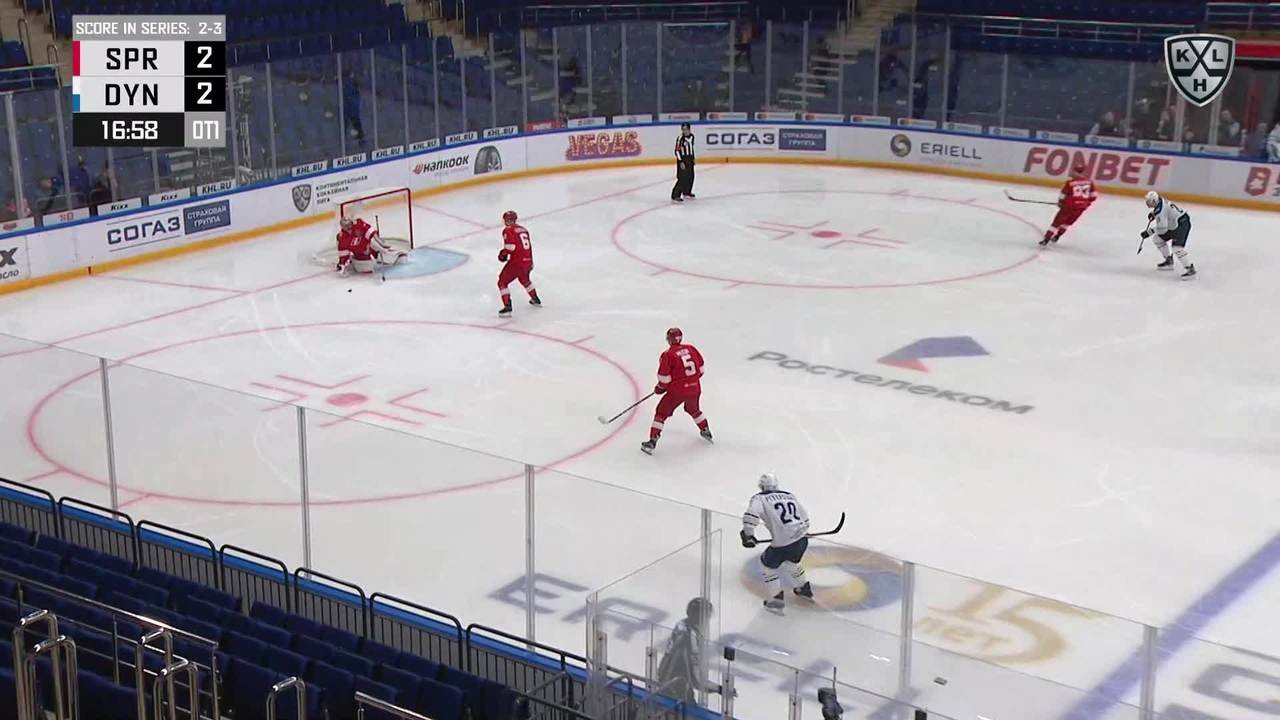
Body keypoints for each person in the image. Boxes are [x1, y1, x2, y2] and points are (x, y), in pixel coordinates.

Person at [741, 473, 813, 610]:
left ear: (761, 486)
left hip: (783, 543)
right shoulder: (789, 495)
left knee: (767, 566)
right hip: (801, 539)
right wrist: (803, 531)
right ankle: (803, 588)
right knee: (792, 563)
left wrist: (748, 534)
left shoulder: (759, 498)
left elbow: (751, 516)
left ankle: (776, 599)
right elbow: (804, 517)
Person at [641, 327, 712, 455]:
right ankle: (705, 430)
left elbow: (664, 378)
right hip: (695, 388)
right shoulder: (691, 348)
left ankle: (652, 441)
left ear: (669, 339)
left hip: (677, 391)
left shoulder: (668, 355)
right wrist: (690, 381)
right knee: (693, 409)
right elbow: (701, 370)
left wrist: (660, 388)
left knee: (661, 413)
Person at [655, 598, 727, 705]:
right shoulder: (690, 637)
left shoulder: (682, 625)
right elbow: (697, 680)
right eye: (706, 616)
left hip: (668, 680)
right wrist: (719, 688)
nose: (707, 619)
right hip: (676, 686)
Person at [1141, 191, 1196, 280]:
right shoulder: (1160, 201)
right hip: (1174, 224)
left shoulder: (1160, 210)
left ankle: (1190, 269)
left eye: (1148, 201)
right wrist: (1154, 214)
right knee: (1157, 239)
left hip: (1181, 225)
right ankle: (1169, 260)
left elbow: (1163, 228)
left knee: (1177, 248)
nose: (1146, 203)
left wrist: (1149, 232)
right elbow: (1166, 212)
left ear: (1154, 201)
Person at [497, 210, 541, 317]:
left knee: (502, 282)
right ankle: (535, 298)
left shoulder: (508, 230)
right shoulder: (524, 229)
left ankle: (507, 307)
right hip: (528, 261)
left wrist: (503, 254)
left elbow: (511, 247)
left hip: (517, 262)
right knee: (524, 279)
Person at [1040, 164, 1096, 246]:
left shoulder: (1070, 183)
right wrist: (1086, 204)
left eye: (1073, 171)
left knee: (1056, 223)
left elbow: (1062, 195)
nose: (1071, 172)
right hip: (1080, 208)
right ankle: (1057, 236)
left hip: (1068, 207)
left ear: (1076, 172)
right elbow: (1094, 196)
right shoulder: (1089, 182)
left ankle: (1046, 239)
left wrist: (1060, 202)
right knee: (1068, 223)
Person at [336, 215, 406, 275]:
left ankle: (394, 256)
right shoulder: (341, 237)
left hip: (369, 245)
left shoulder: (359, 224)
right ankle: (353, 260)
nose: (348, 227)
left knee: (382, 252)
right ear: (342, 227)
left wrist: (381, 243)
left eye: (349, 224)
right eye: (346, 226)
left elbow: (370, 231)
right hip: (359, 253)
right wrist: (342, 265)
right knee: (367, 269)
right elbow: (343, 253)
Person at [671, 123, 696, 203]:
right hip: (682, 159)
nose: (685, 131)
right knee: (682, 178)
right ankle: (675, 195)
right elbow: (677, 151)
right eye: (683, 129)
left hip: (690, 159)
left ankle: (687, 192)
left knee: (691, 176)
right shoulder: (680, 138)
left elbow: (691, 148)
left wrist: (693, 158)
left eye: (686, 129)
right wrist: (681, 161)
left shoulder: (692, 137)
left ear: (689, 129)